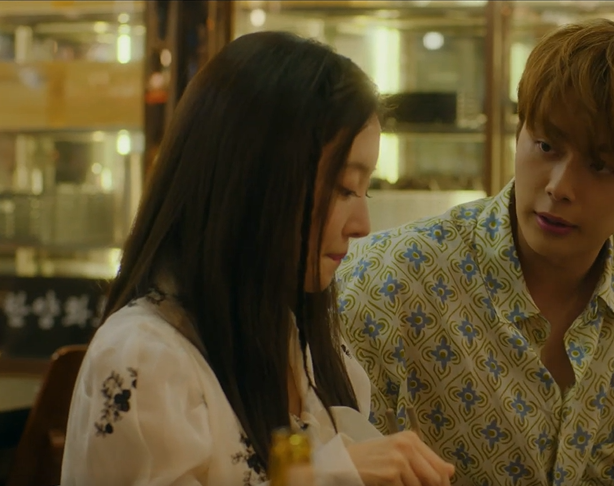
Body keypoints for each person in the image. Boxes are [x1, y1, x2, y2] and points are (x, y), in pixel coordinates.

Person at [337, 19, 614, 485]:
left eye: (601, 166)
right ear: (519, 132)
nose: (559, 186)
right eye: (546, 145)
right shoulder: (389, 281)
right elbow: (335, 462)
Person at [61, 31, 454, 486]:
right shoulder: (146, 360)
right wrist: (329, 474)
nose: (362, 224)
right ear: (253, 181)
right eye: (344, 188)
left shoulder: (307, 347)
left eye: (366, 191)